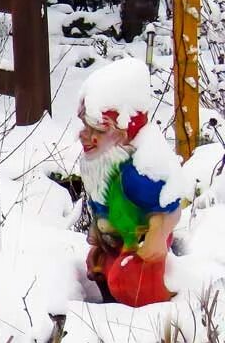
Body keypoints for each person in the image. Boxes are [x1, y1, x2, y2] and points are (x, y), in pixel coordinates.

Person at [78, 58, 186, 307]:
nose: (86, 136)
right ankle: (113, 308)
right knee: (98, 266)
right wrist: (99, 232)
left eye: (99, 131)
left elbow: (170, 206)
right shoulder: (102, 165)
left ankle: (151, 313)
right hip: (117, 242)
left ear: (124, 132)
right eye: (85, 126)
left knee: (127, 279)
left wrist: (158, 233)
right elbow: (102, 202)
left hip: (142, 246)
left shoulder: (137, 175)